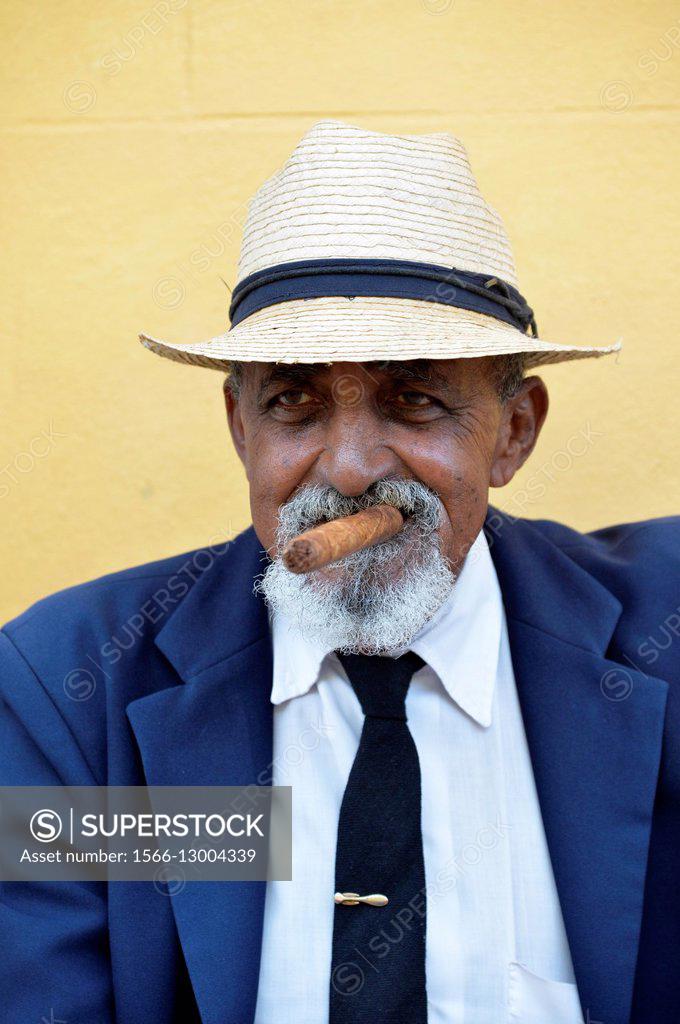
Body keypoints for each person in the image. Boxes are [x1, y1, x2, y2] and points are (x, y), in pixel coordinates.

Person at [1, 121, 677, 1024]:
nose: (350, 468)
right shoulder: (65, 692)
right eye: (294, 401)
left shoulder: (661, 634)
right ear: (243, 430)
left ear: (514, 432)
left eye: (414, 397)